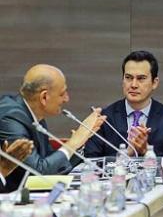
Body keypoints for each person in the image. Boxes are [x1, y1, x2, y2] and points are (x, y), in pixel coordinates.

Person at [0, 65, 106, 193]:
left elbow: (50, 163)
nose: (67, 99)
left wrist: (79, 143)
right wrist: (74, 141)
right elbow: (38, 174)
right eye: (62, 94)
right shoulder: (11, 118)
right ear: (44, 97)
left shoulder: (33, 115)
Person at [84, 50, 163, 173]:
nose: (133, 85)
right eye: (128, 78)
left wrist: (146, 151)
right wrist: (126, 154)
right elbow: (90, 162)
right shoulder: (104, 118)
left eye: (141, 78)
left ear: (154, 83)